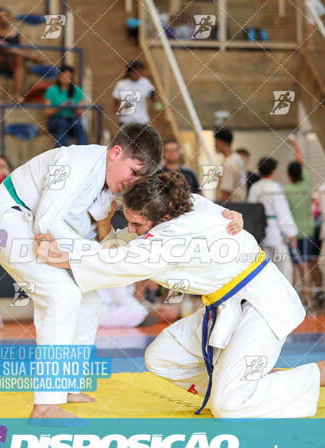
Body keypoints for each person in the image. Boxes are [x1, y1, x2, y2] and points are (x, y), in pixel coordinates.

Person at [36, 172, 322, 418]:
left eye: (137, 225)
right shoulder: (189, 205)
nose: (131, 229)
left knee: (229, 406)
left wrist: (62, 258)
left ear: (165, 217)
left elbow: (121, 259)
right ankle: (244, 382)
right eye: (130, 222)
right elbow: (126, 247)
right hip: (228, 305)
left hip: (262, 304)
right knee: (162, 357)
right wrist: (101, 230)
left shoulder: (170, 239)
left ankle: (316, 374)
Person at [0, 123, 164, 419]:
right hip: (7, 219)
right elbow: (46, 224)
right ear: (116, 153)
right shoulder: (75, 163)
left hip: (34, 227)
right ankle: (45, 405)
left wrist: (99, 254)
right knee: (61, 294)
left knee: (89, 297)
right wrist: (92, 254)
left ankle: (66, 386)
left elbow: (88, 236)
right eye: (133, 172)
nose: (133, 182)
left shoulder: (107, 188)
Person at [248, 156, 297, 283]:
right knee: (284, 267)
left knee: (262, 269)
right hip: (275, 231)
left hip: (259, 232)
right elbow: (282, 212)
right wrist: (291, 234)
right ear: (273, 171)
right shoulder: (276, 187)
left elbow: (251, 211)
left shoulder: (254, 188)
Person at [0, 7, 42, 102]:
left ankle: (17, 94)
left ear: (9, 18)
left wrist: (9, 49)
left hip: (12, 63)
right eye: (1, 16)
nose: (3, 18)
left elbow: (24, 52)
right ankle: (33, 58)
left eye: (5, 16)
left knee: (19, 59)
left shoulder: (18, 35)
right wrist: (1, 47)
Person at [284, 136, 316, 309]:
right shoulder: (307, 184)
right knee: (306, 266)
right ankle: (310, 301)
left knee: (295, 267)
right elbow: (301, 163)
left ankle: (296, 302)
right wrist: (295, 143)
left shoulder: (286, 190)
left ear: (289, 175)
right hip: (309, 230)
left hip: (294, 233)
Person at [43, 65, 88, 148]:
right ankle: (60, 152)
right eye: (64, 76)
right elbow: (46, 112)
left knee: (78, 124)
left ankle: (84, 151)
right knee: (62, 123)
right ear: (59, 77)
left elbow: (81, 112)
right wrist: (60, 107)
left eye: (69, 77)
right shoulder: (51, 90)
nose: (66, 79)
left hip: (72, 121)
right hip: (56, 121)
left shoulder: (77, 90)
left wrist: (73, 106)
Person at [113, 61, 158, 126]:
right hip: (126, 121)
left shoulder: (145, 82)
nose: (138, 75)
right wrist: (117, 114)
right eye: (136, 72)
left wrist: (156, 103)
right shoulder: (121, 84)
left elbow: (153, 94)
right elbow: (116, 102)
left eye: (140, 72)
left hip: (142, 121)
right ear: (129, 72)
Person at [214, 128, 247, 202]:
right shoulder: (237, 158)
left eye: (216, 141)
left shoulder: (229, 163)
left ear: (221, 142)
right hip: (239, 206)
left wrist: (220, 210)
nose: (215, 145)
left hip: (230, 207)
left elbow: (226, 192)